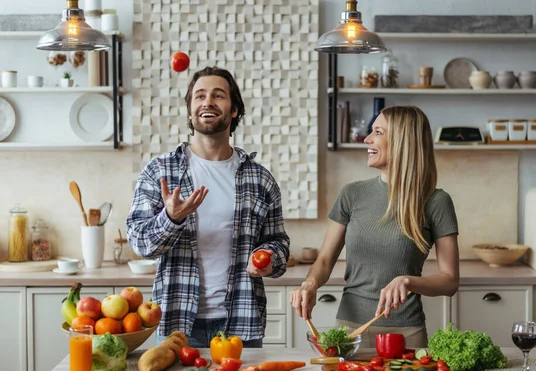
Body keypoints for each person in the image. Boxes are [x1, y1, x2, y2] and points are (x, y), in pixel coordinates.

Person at [126, 66, 290, 348]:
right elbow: (140, 244)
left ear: (234, 109)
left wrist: (268, 256)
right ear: (190, 112)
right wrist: (170, 218)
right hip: (177, 323)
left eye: (218, 95)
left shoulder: (260, 179)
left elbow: (279, 243)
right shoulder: (160, 171)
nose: (208, 102)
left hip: (242, 322)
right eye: (199, 96)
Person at [289, 105, 459, 348]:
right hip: (349, 333)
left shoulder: (436, 201)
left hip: (405, 335)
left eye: (378, 132)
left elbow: (450, 281)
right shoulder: (352, 194)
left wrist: (407, 281)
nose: (367, 139)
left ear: (402, 141)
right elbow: (325, 260)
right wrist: (309, 284)